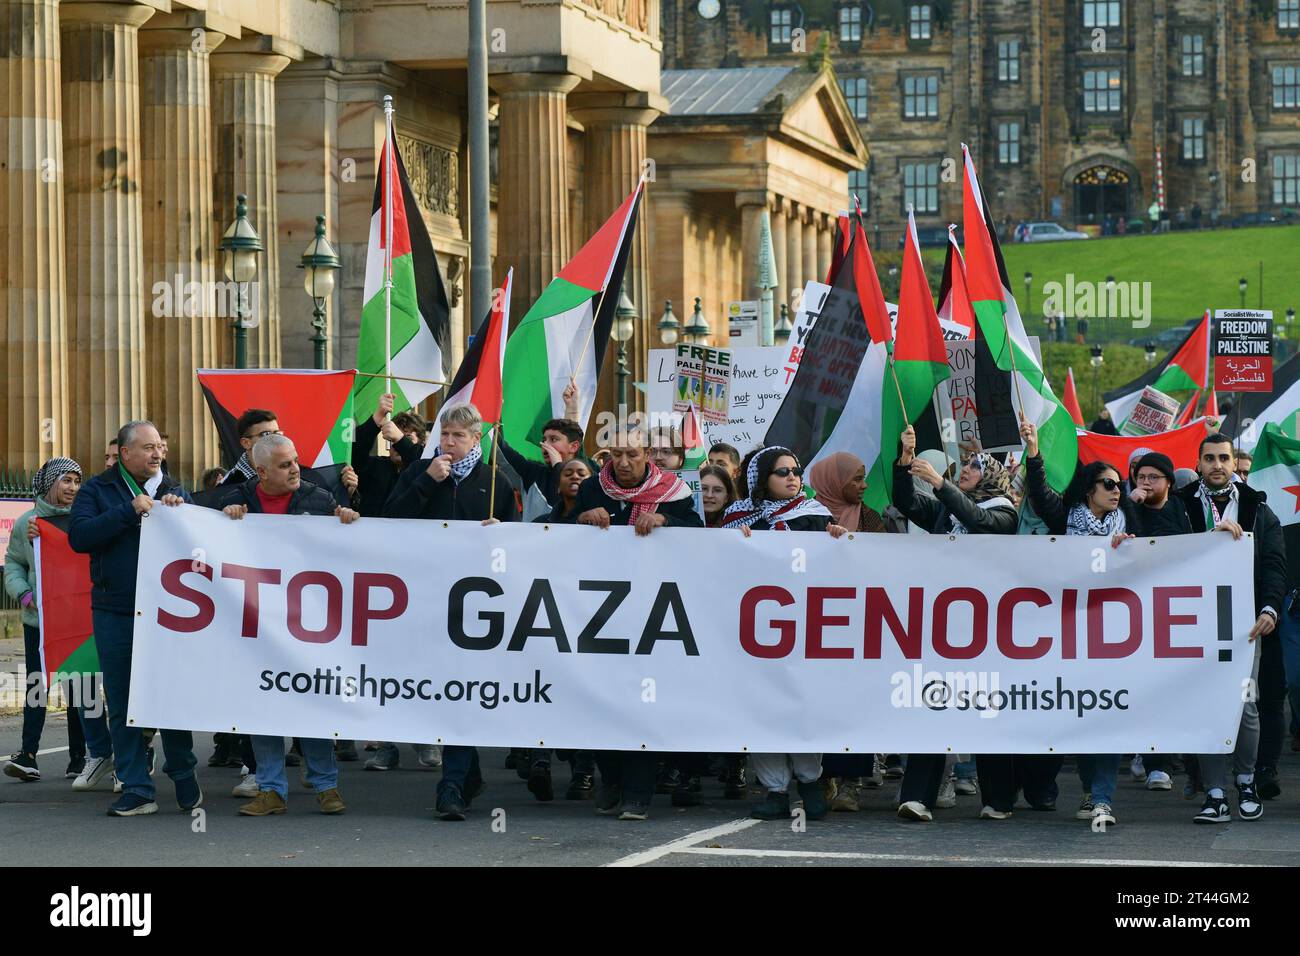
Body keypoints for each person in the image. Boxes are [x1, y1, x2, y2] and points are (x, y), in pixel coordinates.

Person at [210, 434, 358, 816]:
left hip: (307, 623)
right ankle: (271, 789)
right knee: (264, 704)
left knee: (311, 700)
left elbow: (345, 554)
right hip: (256, 623)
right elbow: (198, 528)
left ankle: (327, 786)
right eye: (284, 464)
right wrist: (221, 519)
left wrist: (346, 520)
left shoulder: (319, 497)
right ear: (260, 472)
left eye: (295, 460)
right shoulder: (234, 497)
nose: (295, 469)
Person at [385, 403, 518, 819]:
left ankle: (453, 786)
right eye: (444, 434)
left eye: (458, 435)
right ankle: (467, 775)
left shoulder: (494, 480)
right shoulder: (419, 472)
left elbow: (517, 543)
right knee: (443, 691)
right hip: (426, 598)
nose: (448, 442)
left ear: (476, 438)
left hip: (477, 607)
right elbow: (391, 519)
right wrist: (426, 482)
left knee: (462, 689)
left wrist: (501, 537)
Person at [68, 420, 200, 817]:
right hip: (116, 609)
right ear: (124, 453)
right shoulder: (98, 490)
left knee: (170, 694)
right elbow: (80, 537)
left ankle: (183, 773)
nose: (157, 453)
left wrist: (185, 513)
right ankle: (136, 787)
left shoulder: (176, 491)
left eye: (160, 446)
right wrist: (128, 512)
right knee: (124, 698)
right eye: (147, 447)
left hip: (168, 612)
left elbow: (202, 543)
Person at [573, 425, 703, 820]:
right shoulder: (594, 488)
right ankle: (611, 776)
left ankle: (638, 793)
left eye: (632, 454)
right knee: (600, 702)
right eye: (616, 455)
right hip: (601, 615)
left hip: (656, 615)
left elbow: (699, 538)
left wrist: (667, 524)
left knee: (643, 705)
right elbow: (558, 533)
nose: (624, 463)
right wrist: (582, 517)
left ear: (647, 453)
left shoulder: (674, 493)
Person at [891, 426, 1018, 822]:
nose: (966, 469)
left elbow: (977, 519)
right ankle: (917, 797)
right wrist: (904, 462)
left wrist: (940, 484)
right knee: (934, 704)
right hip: (945, 627)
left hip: (989, 631)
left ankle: (997, 800)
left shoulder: (1006, 511)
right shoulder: (947, 507)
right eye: (964, 464)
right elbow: (906, 502)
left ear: (993, 475)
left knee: (987, 708)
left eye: (976, 466)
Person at [720, 446, 846, 821]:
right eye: (782, 472)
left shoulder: (815, 516)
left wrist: (838, 542)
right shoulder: (738, 518)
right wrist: (733, 544)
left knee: (802, 704)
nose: (793, 477)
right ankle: (774, 788)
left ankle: (810, 781)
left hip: (803, 629)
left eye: (796, 470)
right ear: (761, 479)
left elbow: (832, 570)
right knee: (762, 706)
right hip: (755, 632)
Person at [1022, 420, 1128, 827]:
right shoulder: (1064, 519)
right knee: (1084, 714)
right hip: (1066, 636)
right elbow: (1041, 494)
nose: (1116, 490)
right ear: (1089, 490)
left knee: (1109, 714)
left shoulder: (1127, 524)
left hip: (1115, 638)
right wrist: (1034, 452)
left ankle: (1102, 797)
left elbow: (1176, 537)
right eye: (1107, 483)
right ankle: (1088, 786)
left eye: (1119, 484)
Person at [1177, 434, 1286, 823]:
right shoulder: (1182, 503)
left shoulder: (1257, 506)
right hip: (1192, 623)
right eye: (1209, 459)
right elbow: (1162, 552)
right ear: (1199, 462)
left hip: (1245, 625)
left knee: (1245, 704)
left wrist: (1270, 608)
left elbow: (1275, 563)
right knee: (1208, 705)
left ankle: (1245, 781)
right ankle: (1215, 793)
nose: (1218, 465)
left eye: (1224, 458)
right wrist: (1208, 541)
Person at [3, 458, 114, 791]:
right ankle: (28, 754)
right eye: (66, 480)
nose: (73, 488)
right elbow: (13, 565)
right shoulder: (28, 523)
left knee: (79, 683)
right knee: (38, 685)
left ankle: (81, 756)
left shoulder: (84, 520)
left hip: (78, 618)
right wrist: (24, 595)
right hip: (39, 620)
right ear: (49, 483)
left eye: (77, 482)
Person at [805, 451, 887, 810]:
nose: (864, 485)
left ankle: (851, 780)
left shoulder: (871, 519)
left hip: (860, 626)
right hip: (814, 627)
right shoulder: (805, 517)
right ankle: (822, 776)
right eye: (856, 479)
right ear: (833, 482)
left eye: (864, 477)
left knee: (855, 701)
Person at [497, 381, 587, 504]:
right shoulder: (534, 473)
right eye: (544, 440)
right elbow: (502, 449)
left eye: (553, 439)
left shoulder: (588, 475)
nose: (545, 445)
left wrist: (558, 468)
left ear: (574, 446)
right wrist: (495, 415)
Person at [350, 392, 426, 517]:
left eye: (407, 438)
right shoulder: (375, 466)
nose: (396, 445)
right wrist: (377, 418)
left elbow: (423, 462)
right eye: (393, 438)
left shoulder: (422, 470)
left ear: (420, 442)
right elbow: (355, 454)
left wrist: (400, 440)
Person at [219, 409, 283, 486]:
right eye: (266, 434)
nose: (274, 439)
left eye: (277, 433)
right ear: (246, 443)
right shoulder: (229, 485)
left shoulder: (292, 473)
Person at [536, 458, 593, 525]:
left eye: (581, 474)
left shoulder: (605, 519)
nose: (575, 477)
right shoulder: (540, 523)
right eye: (568, 474)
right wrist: (577, 520)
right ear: (559, 487)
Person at [699, 463, 737, 528]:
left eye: (717, 490)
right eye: (704, 488)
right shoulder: (681, 521)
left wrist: (740, 532)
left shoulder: (737, 523)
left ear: (727, 497)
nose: (709, 495)